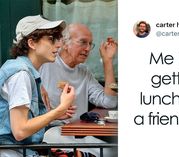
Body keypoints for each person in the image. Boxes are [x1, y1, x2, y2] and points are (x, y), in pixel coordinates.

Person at [0, 15, 75, 157]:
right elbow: (20, 131)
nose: (58, 45)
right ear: (32, 43)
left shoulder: (23, 70)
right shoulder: (21, 74)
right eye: (51, 39)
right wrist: (59, 110)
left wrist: (52, 116)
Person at [39, 23, 118, 157]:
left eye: (90, 44)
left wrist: (108, 61)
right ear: (64, 43)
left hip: (77, 134)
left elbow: (109, 102)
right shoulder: (45, 64)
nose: (87, 48)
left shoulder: (83, 72)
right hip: (50, 133)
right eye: (82, 42)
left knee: (114, 152)